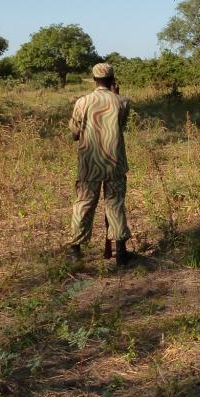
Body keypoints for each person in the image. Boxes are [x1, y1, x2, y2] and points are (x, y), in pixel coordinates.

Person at [67, 62, 133, 266]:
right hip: (115, 162)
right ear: (113, 80)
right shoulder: (122, 101)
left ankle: (75, 250)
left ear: (94, 79)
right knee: (115, 204)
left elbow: (75, 134)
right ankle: (120, 251)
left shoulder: (82, 102)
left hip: (89, 163)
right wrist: (116, 94)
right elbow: (121, 125)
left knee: (84, 204)